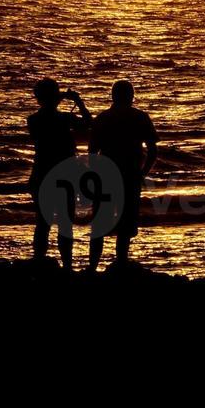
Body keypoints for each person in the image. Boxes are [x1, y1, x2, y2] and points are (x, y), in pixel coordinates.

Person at [88, 80, 158, 271]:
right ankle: (121, 264)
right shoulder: (141, 117)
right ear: (131, 96)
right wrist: (142, 173)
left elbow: (92, 154)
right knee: (126, 226)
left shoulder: (102, 118)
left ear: (113, 96)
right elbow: (152, 151)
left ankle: (92, 268)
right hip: (130, 175)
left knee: (99, 226)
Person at [27, 78, 92, 270]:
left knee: (42, 223)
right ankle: (67, 267)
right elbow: (88, 124)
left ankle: (39, 262)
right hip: (65, 176)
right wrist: (78, 102)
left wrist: (61, 99)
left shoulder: (33, 120)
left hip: (41, 174)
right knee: (65, 223)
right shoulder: (64, 119)